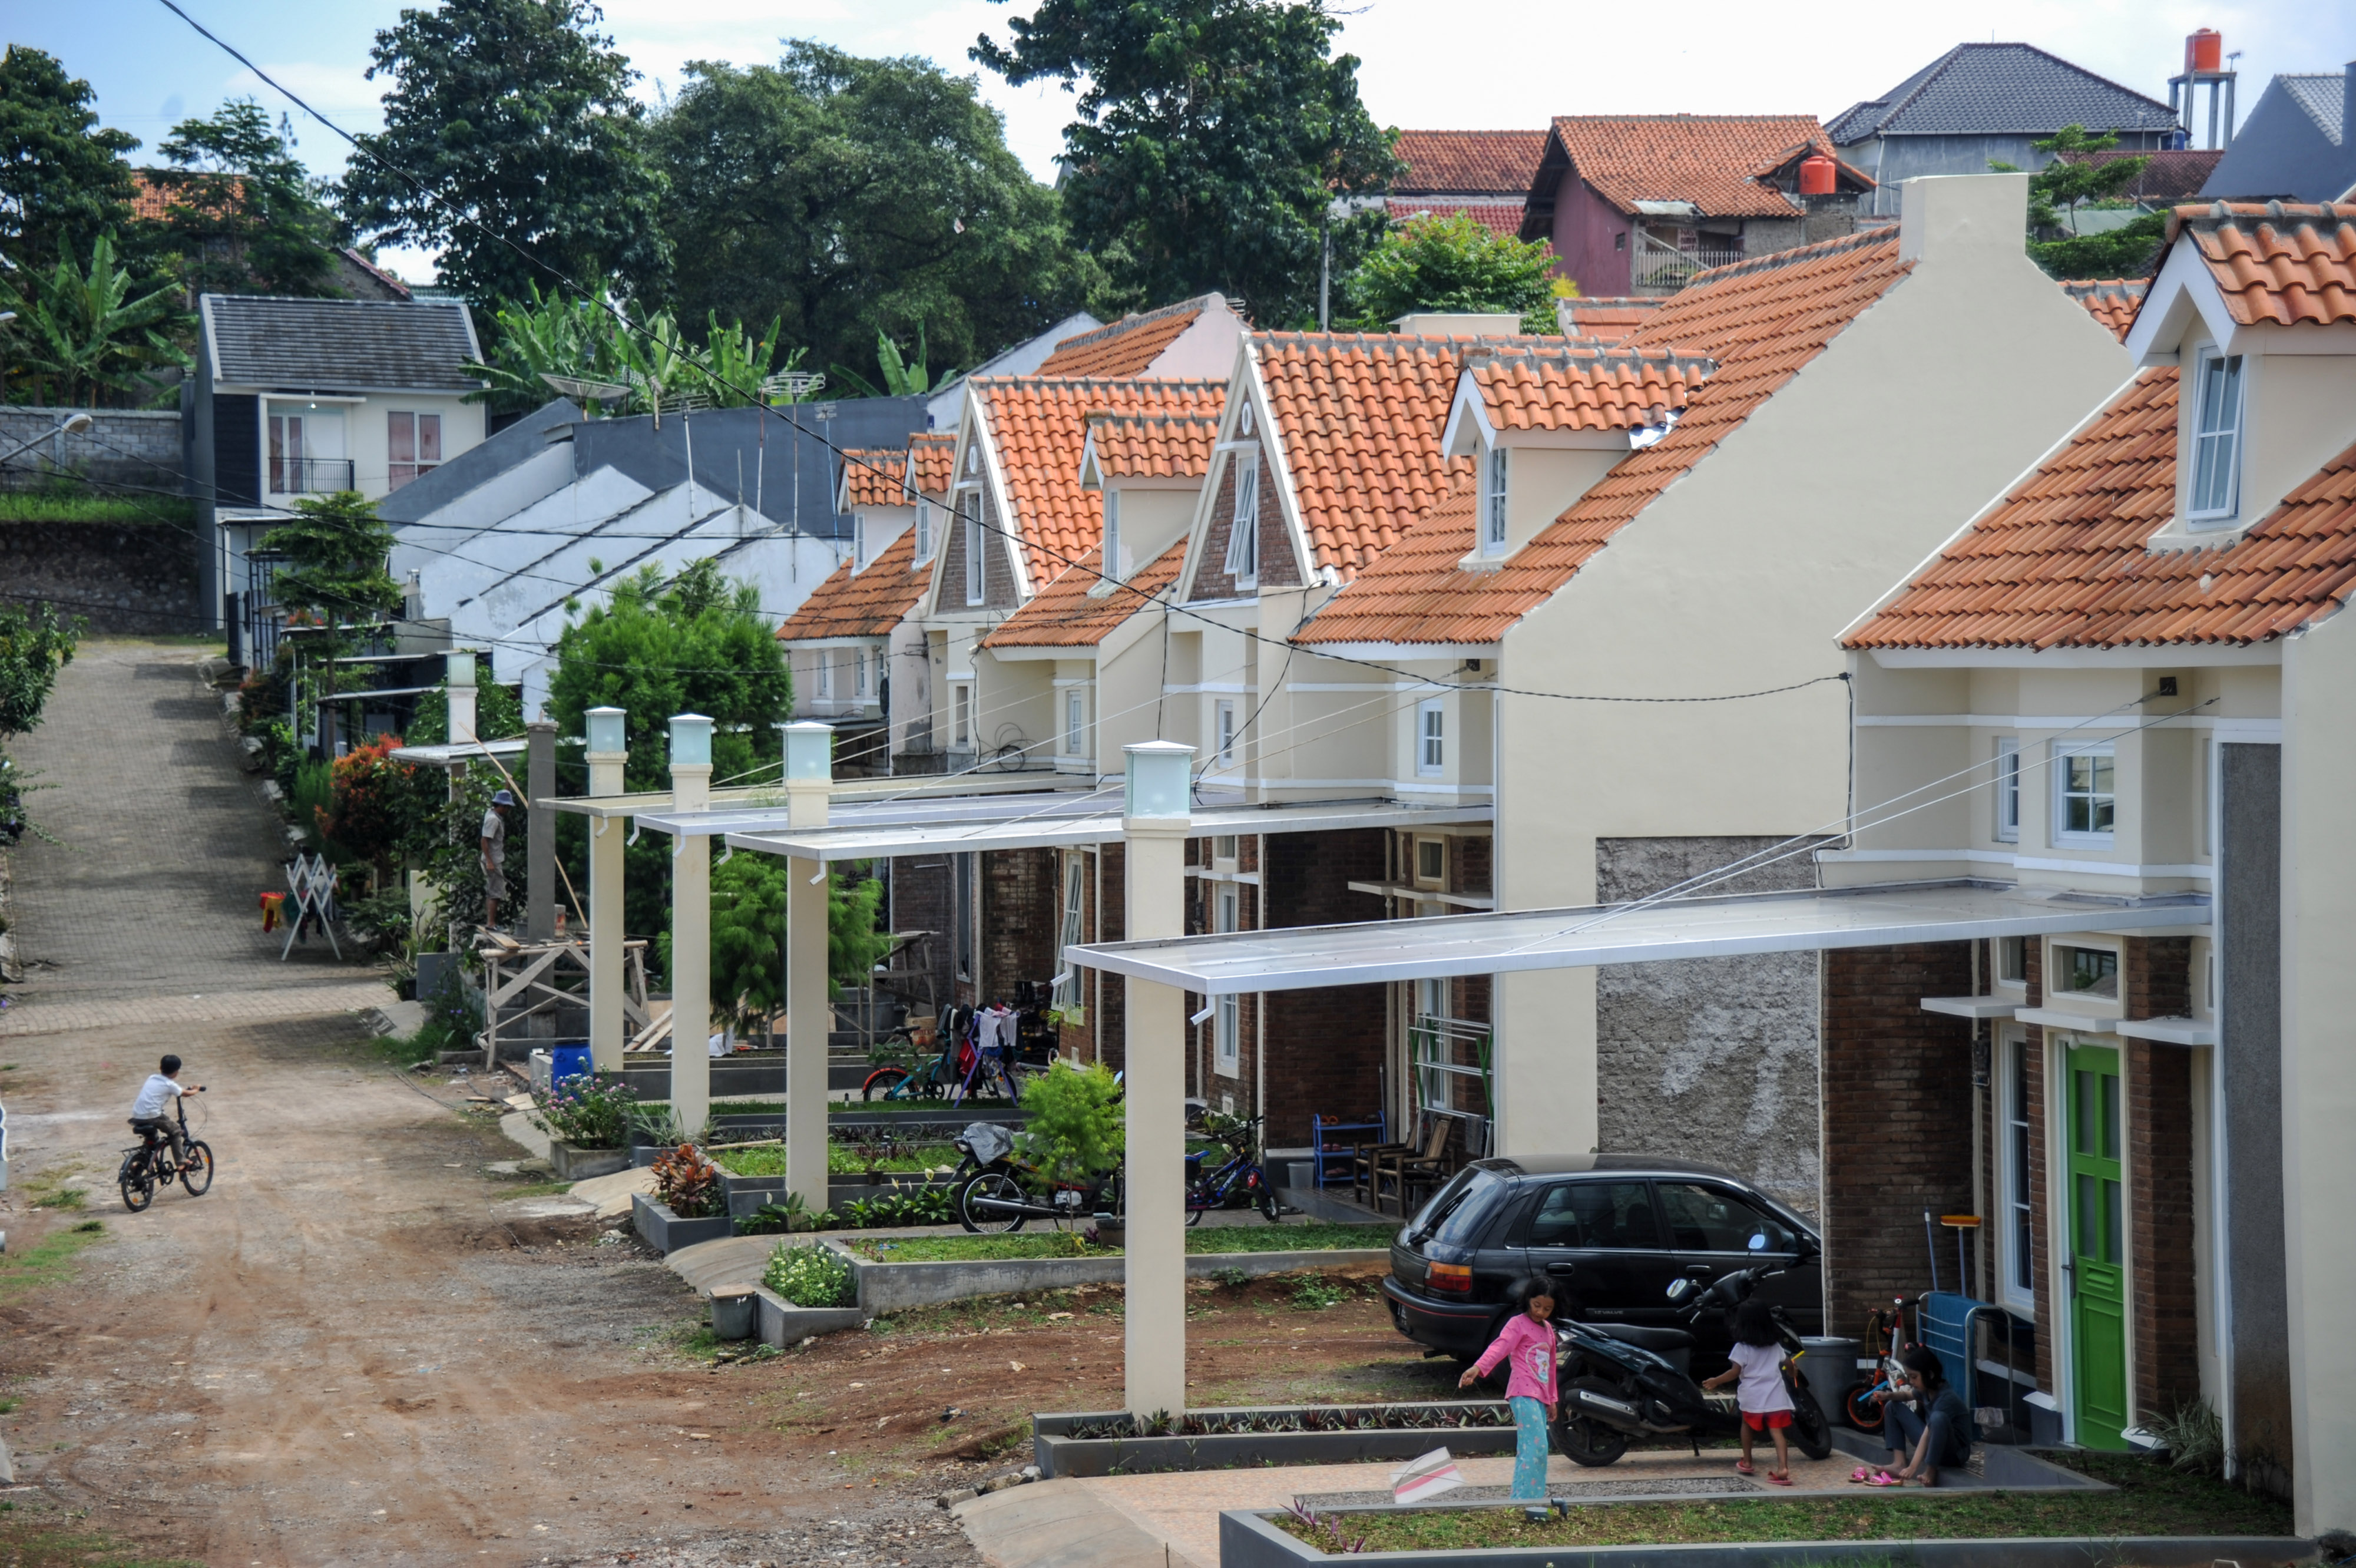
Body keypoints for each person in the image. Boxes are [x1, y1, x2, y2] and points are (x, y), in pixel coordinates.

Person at [1459, 1276, 1560, 1510]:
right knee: (1535, 1448)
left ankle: (1526, 1501)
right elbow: (1500, 1346)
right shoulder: (1517, 1324)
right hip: (1522, 1392)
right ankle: (1525, 1503)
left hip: (1540, 1394)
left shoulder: (1548, 1331)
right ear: (1527, 1300)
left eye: (1548, 1309)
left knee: (1536, 1448)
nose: (1541, 1312)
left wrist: (1553, 1399)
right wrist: (1479, 1367)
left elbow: (1551, 1367)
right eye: (1537, 1305)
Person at [1702, 1297, 1796, 1485]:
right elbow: (1788, 1363)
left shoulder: (1741, 1348)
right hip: (1776, 1396)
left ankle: (1747, 1461)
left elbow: (1735, 1372)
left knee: (1747, 1425)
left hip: (1753, 1396)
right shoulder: (1775, 1346)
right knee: (1777, 1432)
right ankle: (1783, 1468)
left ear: (1742, 1324)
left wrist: (1716, 1381)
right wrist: (1794, 1374)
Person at [1861, 1344, 1971, 1486]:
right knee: (1892, 1406)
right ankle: (1899, 1463)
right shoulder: (1927, 1390)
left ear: (1930, 1375)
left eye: (1914, 1377)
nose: (1911, 1381)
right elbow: (1907, 1395)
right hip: (1932, 1442)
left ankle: (1930, 1471)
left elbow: (1928, 1432)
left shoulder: (1946, 1398)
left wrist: (1913, 1467)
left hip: (1953, 1454)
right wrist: (1888, 1395)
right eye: (1909, 1377)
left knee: (1938, 1418)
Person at [130, 1054, 203, 1163]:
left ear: (160, 1068)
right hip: (152, 1116)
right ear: (177, 1071)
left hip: (136, 1115)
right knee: (176, 1131)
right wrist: (197, 1089)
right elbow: (186, 1093)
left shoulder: (152, 1077)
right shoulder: (170, 1085)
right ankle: (181, 1161)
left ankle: (141, 1163)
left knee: (153, 1138)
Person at [481, 789, 514, 930]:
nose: (508, 810)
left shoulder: (491, 812)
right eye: (507, 807)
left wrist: (507, 785)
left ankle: (491, 922)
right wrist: (489, 861)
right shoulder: (493, 820)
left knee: (493, 891)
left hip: (493, 859)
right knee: (496, 893)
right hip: (493, 861)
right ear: (502, 806)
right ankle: (491, 924)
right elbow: (484, 840)